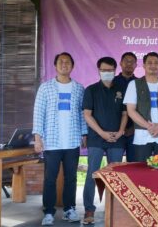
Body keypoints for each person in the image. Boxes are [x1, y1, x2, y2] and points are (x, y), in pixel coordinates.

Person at [33, 52, 87, 226]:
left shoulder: (79, 88)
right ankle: (48, 212)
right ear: (55, 66)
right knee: (50, 178)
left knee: (71, 177)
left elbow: (83, 113)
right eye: (61, 62)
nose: (64, 64)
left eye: (68, 62)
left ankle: (69, 209)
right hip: (52, 142)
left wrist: (84, 134)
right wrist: (38, 138)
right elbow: (38, 113)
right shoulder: (45, 87)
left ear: (72, 66)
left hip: (71, 141)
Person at [82, 56, 128, 225]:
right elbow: (87, 115)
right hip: (96, 138)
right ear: (98, 71)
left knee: (115, 176)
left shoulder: (122, 89)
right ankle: (89, 210)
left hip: (116, 139)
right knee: (92, 174)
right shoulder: (91, 90)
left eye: (110, 70)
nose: (107, 73)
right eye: (103, 70)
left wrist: (121, 131)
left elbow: (125, 113)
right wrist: (101, 133)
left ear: (115, 71)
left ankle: (115, 208)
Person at [124, 52, 158, 161]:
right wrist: (149, 127)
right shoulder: (134, 84)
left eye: (156, 63)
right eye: (149, 63)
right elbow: (131, 110)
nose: (153, 65)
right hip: (142, 135)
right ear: (143, 65)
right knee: (142, 171)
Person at [113, 52, 138, 162]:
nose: (129, 64)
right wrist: (120, 130)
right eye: (126, 61)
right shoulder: (112, 82)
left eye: (132, 62)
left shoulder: (140, 83)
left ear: (136, 65)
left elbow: (144, 109)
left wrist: (133, 128)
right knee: (115, 166)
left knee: (134, 166)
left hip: (135, 131)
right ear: (120, 63)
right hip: (115, 132)